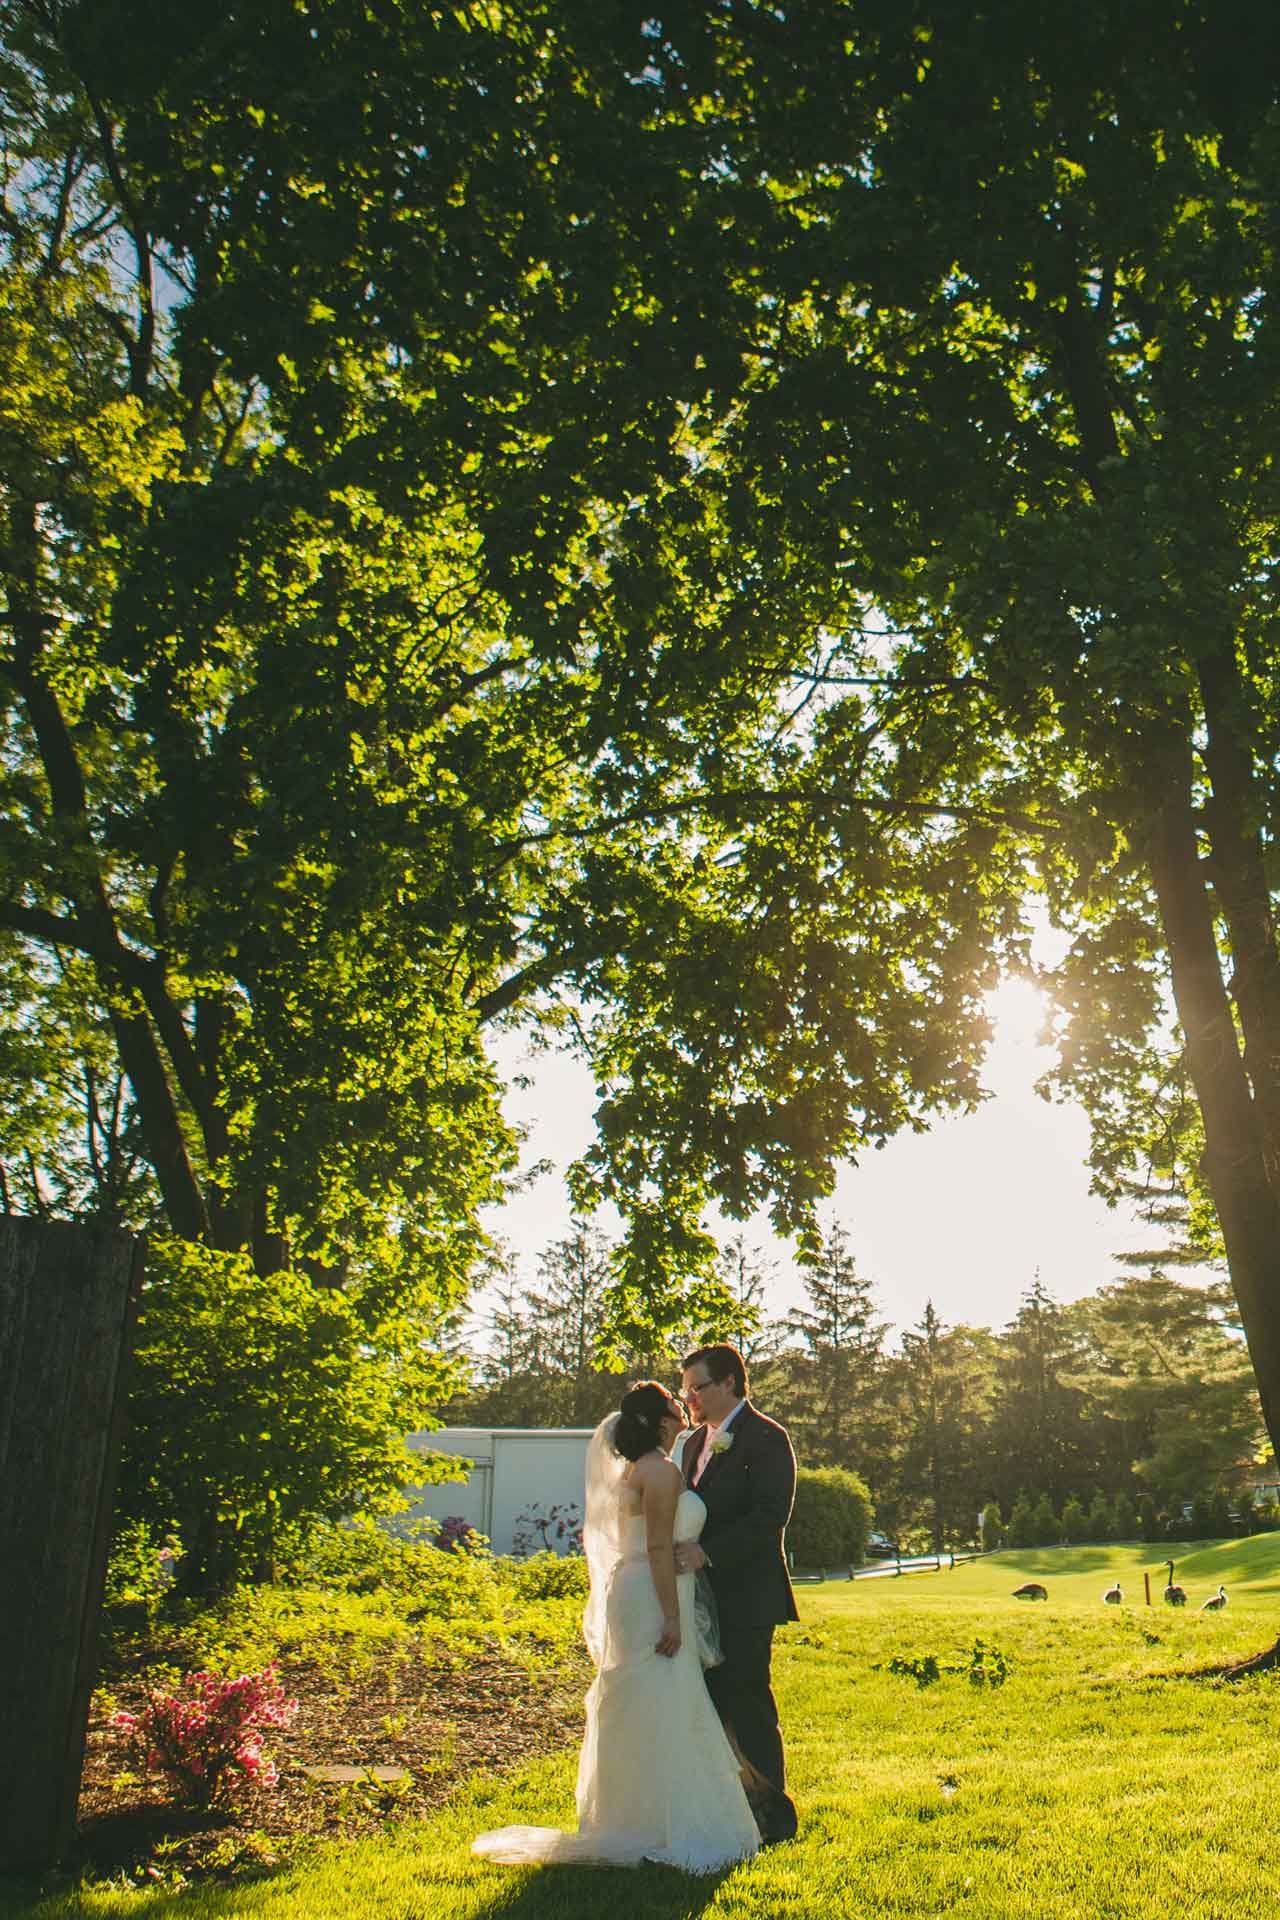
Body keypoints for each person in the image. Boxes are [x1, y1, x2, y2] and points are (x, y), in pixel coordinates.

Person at [471, 1381, 760, 1873]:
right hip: (652, 1590)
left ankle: (631, 1817)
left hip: (632, 1590)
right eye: (674, 1400)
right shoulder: (662, 1473)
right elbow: (656, 1549)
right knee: (667, 1693)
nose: (682, 1403)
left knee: (640, 1696)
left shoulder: (634, 1470)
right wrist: (673, 1616)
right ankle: (667, 1824)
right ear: (662, 1420)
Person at [674, 1343, 799, 1844]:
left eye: (697, 1388)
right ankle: (729, 1807)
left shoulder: (767, 1439)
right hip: (698, 1600)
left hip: (748, 1595)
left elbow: (771, 1516)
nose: (690, 1400)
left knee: (748, 1699)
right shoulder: (688, 1445)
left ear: (729, 1383)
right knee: (711, 1702)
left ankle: (773, 1814)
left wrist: (710, 1554)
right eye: (685, 1391)